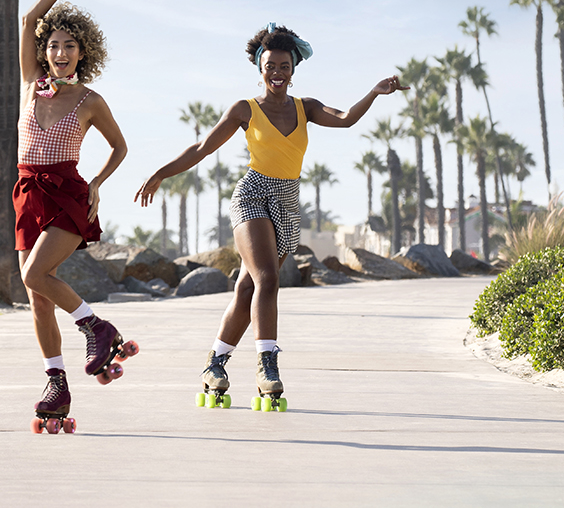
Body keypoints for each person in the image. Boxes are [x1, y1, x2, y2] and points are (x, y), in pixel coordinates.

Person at [134, 22, 407, 410]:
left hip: (287, 203)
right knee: (267, 278)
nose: (276, 74)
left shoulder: (305, 108)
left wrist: (375, 93)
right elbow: (201, 147)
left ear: (293, 69)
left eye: (283, 67)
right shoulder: (245, 110)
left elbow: (345, 118)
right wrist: (160, 172)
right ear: (259, 69)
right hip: (252, 195)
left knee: (249, 288)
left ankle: (214, 364)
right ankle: (268, 367)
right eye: (269, 66)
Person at [17, 0, 129, 432]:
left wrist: (98, 184)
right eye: (54, 45)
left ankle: (96, 327)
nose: (60, 52)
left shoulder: (90, 101)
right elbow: (27, 21)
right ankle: (56, 382)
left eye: (70, 46)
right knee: (37, 294)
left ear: (83, 53)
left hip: (67, 194)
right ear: (45, 52)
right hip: (26, 192)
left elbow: (120, 147)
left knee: (34, 273)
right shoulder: (30, 86)